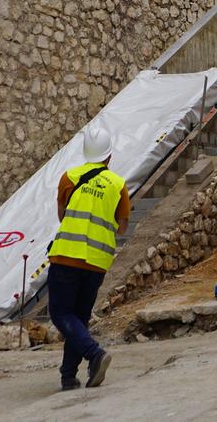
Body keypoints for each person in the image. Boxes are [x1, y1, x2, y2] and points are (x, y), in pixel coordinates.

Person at [45, 125, 128, 391]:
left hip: (67, 256)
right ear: (109, 156)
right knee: (78, 317)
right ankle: (68, 376)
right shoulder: (118, 185)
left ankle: (94, 354)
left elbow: (62, 215)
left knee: (60, 312)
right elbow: (123, 225)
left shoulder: (69, 177)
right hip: (97, 263)